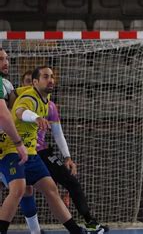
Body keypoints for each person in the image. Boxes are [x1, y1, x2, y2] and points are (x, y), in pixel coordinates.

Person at [0, 65, 99, 234]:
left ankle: (75, 230)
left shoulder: (46, 99)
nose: (51, 80)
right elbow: (20, 111)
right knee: (19, 190)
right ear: (35, 82)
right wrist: (36, 117)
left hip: (31, 153)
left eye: (52, 76)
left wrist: (67, 156)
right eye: (46, 77)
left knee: (51, 188)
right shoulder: (30, 98)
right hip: (11, 150)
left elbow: (13, 93)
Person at [0, 49, 29, 234]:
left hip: (4, 145)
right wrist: (19, 143)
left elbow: (13, 105)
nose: (6, 62)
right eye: (1, 59)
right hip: (8, 144)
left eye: (7, 58)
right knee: (19, 188)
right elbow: (3, 115)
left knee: (19, 188)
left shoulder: (7, 84)